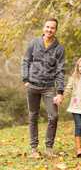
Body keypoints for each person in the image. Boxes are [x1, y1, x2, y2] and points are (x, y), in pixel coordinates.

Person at [21, 18, 65, 158]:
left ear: (55, 30)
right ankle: (34, 149)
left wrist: (60, 92)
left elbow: (60, 71)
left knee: (54, 116)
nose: (49, 30)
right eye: (47, 27)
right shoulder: (34, 43)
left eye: (52, 28)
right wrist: (25, 79)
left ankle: (49, 148)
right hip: (32, 86)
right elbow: (25, 60)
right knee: (33, 116)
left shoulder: (59, 49)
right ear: (43, 28)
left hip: (49, 88)